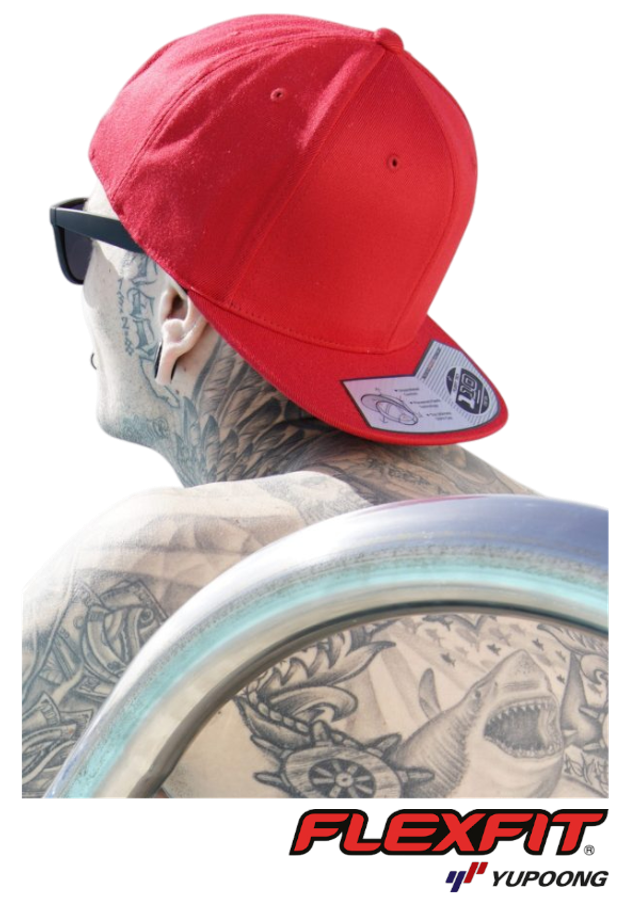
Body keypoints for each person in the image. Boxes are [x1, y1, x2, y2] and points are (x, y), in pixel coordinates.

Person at [23, 14, 607, 800]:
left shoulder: (150, 569)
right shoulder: (580, 553)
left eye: (81, 242)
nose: (80, 285)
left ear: (174, 310)